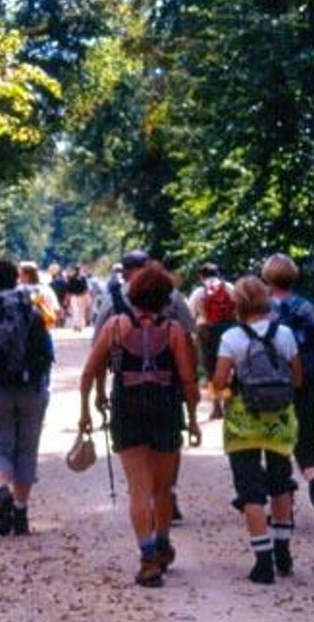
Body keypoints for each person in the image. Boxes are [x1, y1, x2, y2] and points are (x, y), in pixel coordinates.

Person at [79, 264, 201, 587]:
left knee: (138, 488)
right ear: (165, 297)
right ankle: (162, 543)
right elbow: (188, 380)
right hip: (165, 408)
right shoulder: (175, 330)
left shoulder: (116, 326)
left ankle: (148, 558)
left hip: (127, 406)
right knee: (163, 488)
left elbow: (89, 372)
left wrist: (86, 412)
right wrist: (193, 419)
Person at [93, 250, 197, 523]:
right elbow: (189, 335)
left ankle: (148, 530)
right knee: (167, 444)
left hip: (126, 385)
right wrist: (192, 390)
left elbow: (98, 348)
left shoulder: (113, 299)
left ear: (125, 271)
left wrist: (99, 389)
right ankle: (167, 492)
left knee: (137, 453)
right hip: (168, 382)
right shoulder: (171, 296)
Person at [212, 276, 301, 584]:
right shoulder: (286, 334)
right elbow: (298, 378)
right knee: (280, 484)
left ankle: (263, 563)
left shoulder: (231, 338)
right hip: (279, 422)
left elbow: (220, 382)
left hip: (243, 423)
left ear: (237, 303)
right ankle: (283, 549)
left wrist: (223, 396)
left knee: (250, 492)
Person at [0, 259, 54, 536]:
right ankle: (20, 510)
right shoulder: (33, 309)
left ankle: (2, 489)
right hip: (32, 388)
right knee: (26, 450)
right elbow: (48, 353)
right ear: (17, 279)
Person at [263, 253, 314, 537]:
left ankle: (283, 509)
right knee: (305, 445)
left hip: (270, 387)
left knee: (276, 448)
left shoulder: (262, 308)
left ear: (267, 277)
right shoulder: (306, 307)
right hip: (304, 384)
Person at [188, 263, 236, 419]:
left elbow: (190, 315)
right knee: (228, 367)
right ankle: (228, 403)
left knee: (211, 369)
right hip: (228, 330)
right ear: (218, 274)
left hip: (206, 331)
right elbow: (238, 308)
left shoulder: (199, 292)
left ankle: (216, 408)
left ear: (201, 276)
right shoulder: (229, 287)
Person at [19, 260, 61, 329]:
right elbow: (57, 310)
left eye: (20, 274)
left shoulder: (19, 291)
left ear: (26, 276)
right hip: (44, 329)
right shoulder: (46, 288)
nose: (19, 277)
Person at [65, 266, 91, 331]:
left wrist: (67, 299)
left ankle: (77, 325)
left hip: (76, 296)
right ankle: (79, 325)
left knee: (76, 311)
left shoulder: (72, 278)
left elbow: (68, 289)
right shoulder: (82, 278)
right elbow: (86, 289)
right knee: (80, 311)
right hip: (80, 296)